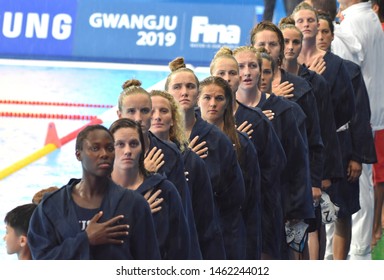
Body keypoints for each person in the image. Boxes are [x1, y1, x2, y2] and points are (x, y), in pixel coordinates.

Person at [27, 124, 161, 259]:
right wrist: (85, 239)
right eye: (95, 148)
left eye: (109, 148)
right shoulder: (52, 206)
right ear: (78, 154)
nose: (104, 154)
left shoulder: (134, 204)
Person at [234, 45, 314, 259]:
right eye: (240, 67)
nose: (247, 72)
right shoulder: (219, 114)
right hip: (237, 206)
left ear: (262, 71)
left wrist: (297, 210)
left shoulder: (286, 111)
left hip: (273, 205)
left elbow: (298, 164)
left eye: (252, 66)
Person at [318, 1, 384, 259]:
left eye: (325, 32)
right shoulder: (369, 18)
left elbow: (342, 78)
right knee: (360, 185)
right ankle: (353, 251)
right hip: (367, 115)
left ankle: (355, 252)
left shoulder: (352, 24)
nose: (321, 37)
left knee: (354, 187)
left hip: (353, 121)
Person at [209, 46, 287, 260]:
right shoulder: (196, 124)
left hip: (249, 213)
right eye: (221, 74)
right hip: (209, 216)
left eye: (232, 73)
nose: (227, 79)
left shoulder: (257, 120)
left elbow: (274, 168)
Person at [165, 57, 247, 259]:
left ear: (197, 93)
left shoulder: (217, 140)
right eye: (177, 87)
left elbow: (235, 195)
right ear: (167, 93)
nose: (184, 92)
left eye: (190, 87)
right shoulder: (155, 139)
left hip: (209, 234)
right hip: (169, 234)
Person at [278, 18, 344, 260]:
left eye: (296, 41)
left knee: (309, 228)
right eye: (286, 42)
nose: (291, 47)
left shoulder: (313, 83)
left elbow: (323, 130)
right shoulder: (263, 83)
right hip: (279, 171)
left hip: (304, 168)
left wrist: (321, 175)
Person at [117, 79, 202, 259]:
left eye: (145, 111)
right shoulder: (107, 152)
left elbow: (182, 215)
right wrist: (142, 175)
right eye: (131, 111)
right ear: (119, 114)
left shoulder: (169, 153)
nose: (138, 118)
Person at [250, 21, 324, 221]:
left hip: (290, 181)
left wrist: (314, 180)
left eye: (272, 44)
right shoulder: (239, 92)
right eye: (261, 45)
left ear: (281, 49)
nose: (267, 49)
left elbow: (314, 139)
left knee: (298, 239)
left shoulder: (301, 87)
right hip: (254, 183)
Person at [148, 89, 226, 259]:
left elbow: (206, 221)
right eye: (151, 111)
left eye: (163, 111)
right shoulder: (128, 163)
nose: (157, 116)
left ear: (173, 119)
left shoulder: (191, 160)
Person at [198, 75, 262, 260]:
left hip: (231, 227)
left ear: (228, 102)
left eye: (219, 98)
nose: (213, 104)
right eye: (207, 98)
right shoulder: (185, 144)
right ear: (198, 100)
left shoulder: (242, 143)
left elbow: (251, 195)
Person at [109, 118, 190, 259]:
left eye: (134, 144)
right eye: (120, 144)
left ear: (143, 148)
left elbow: (180, 247)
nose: (127, 151)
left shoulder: (164, 190)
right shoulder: (96, 194)